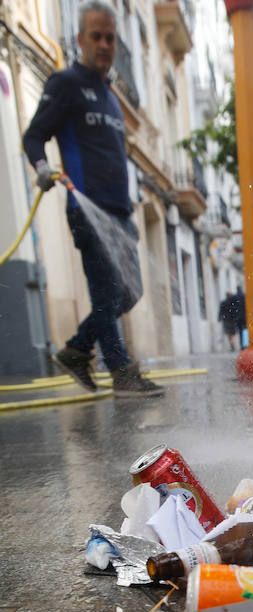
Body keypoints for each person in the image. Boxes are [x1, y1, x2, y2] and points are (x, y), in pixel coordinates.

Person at [22, 0, 163, 398]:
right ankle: (121, 372)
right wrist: (41, 166)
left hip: (119, 210)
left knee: (129, 291)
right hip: (87, 208)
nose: (104, 44)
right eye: (96, 36)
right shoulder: (65, 84)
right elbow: (34, 134)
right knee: (106, 292)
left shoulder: (110, 95)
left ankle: (76, 350)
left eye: (110, 38)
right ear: (81, 39)